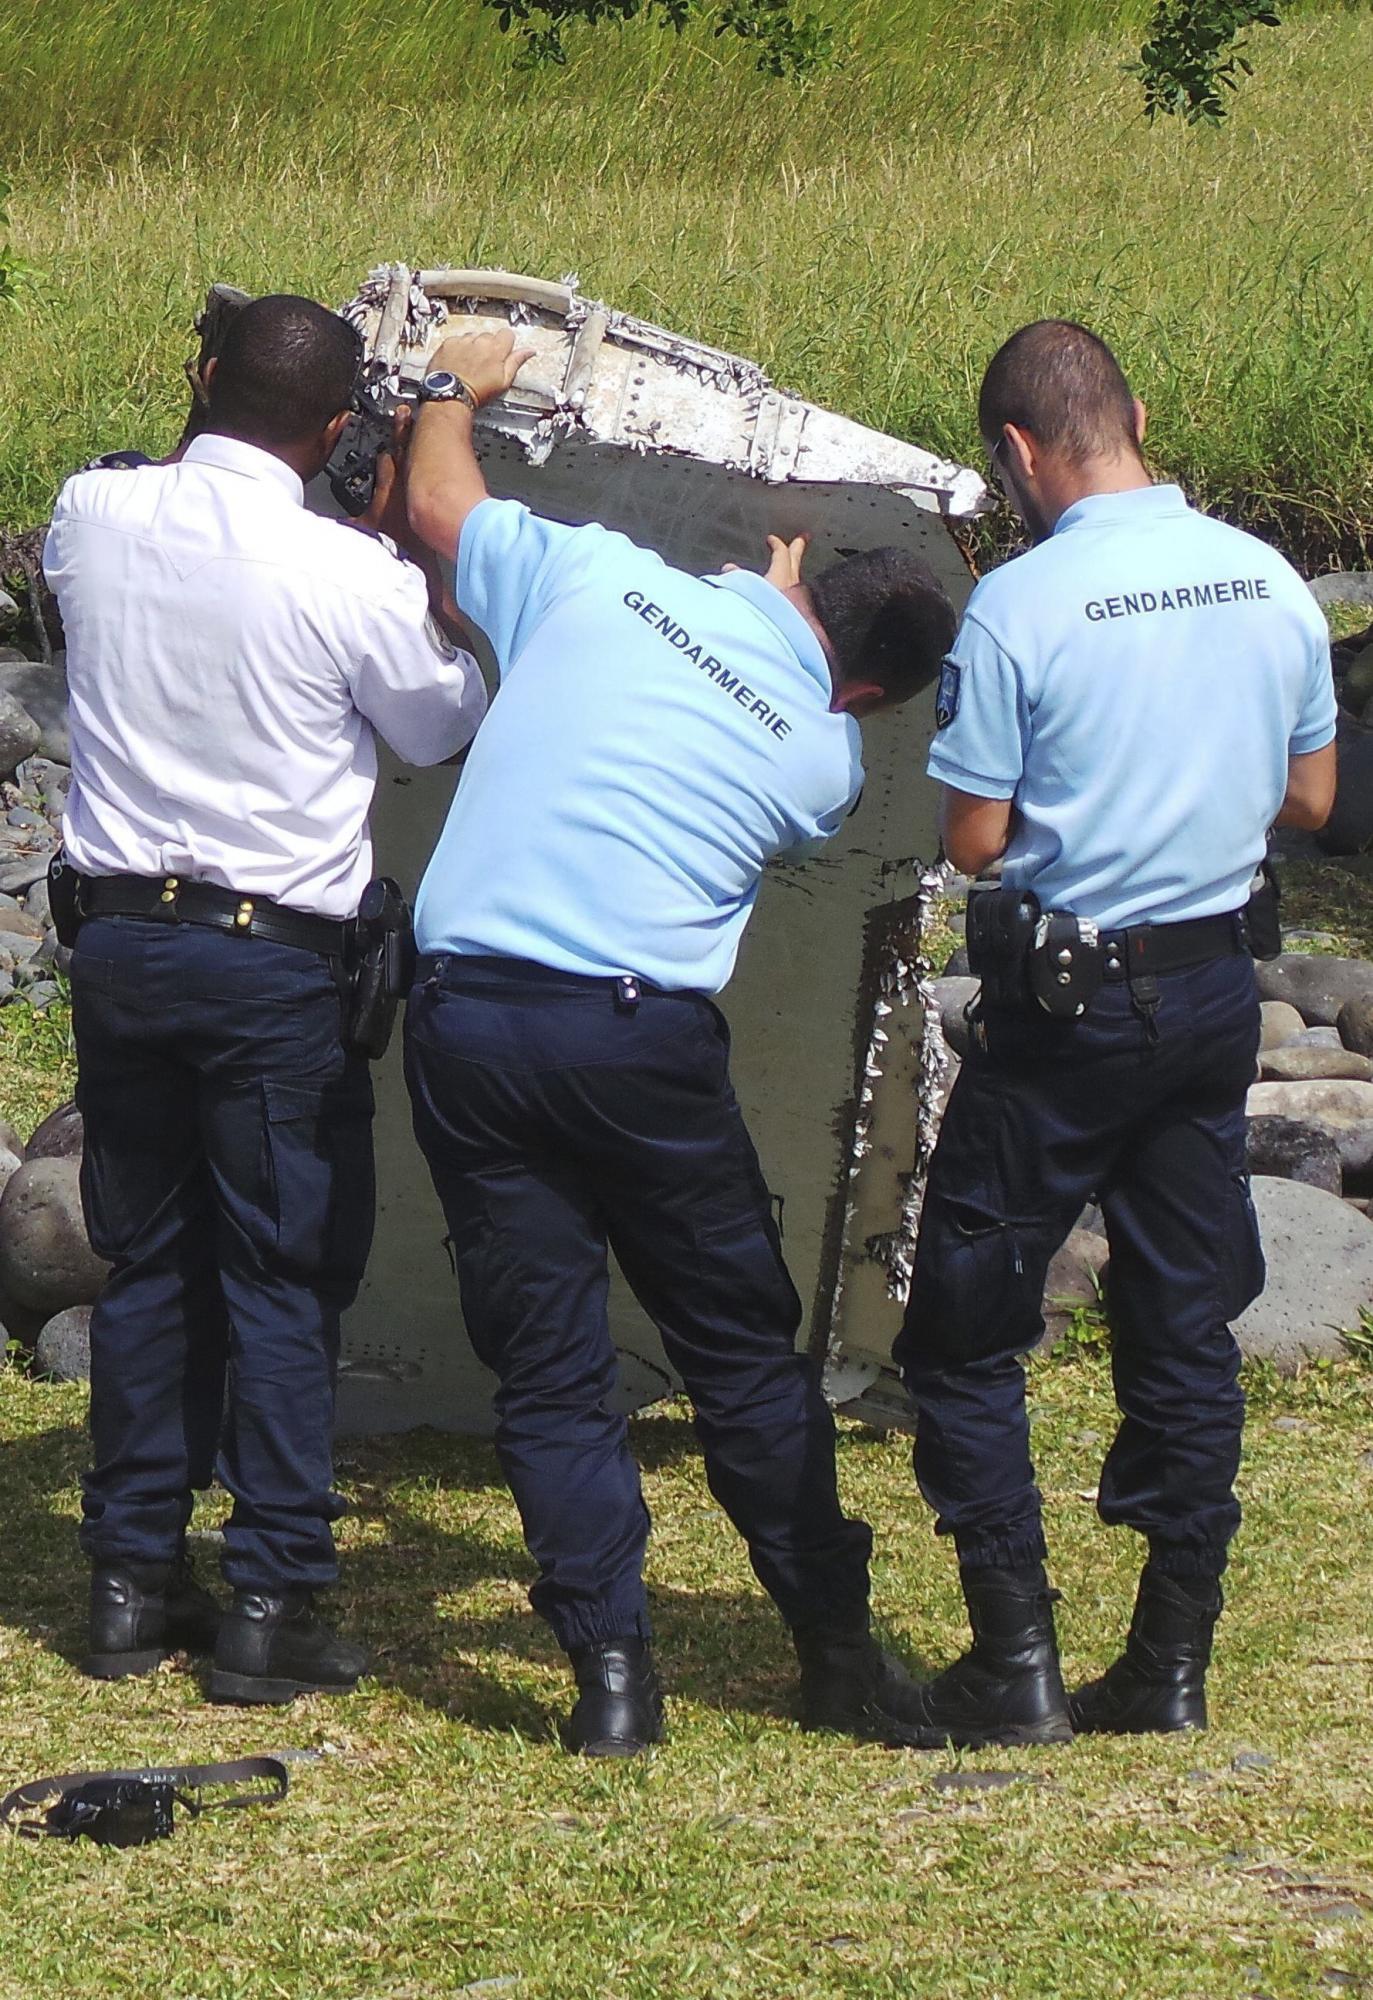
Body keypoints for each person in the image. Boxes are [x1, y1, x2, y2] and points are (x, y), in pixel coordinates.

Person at [400, 324, 957, 1756]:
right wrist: (789, 640)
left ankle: (610, 1682)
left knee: (547, 1364)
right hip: (641, 1046)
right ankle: (833, 1650)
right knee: (739, 1356)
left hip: (473, 1020)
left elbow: (437, 510)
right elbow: (787, 701)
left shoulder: (595, 580)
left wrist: (455, 387)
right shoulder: (821, 755)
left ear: (805, 580)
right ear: (874, 695)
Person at [892, 319, 1337, 1747]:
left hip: (1065, 1009)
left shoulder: (1022, 607)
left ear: (1014, 454)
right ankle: (1168, 1662)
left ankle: (1011, 1661)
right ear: (1135, 413)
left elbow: (972, 838)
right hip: (1214, 994)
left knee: (965, 1326)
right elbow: (1313, 803)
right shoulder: (1266, 581)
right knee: (1183, 1317)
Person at [43, 294, 488, 1704]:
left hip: (119, 945)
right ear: (339, 428)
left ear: (202, 383)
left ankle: (127, 1584)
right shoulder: (343, 574)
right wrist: (417, 548)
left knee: (150, 1260)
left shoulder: (89, 516)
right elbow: (440, 723)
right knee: (284, 1278)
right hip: (269, 960)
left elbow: (173, 487)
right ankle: (272, 1598)